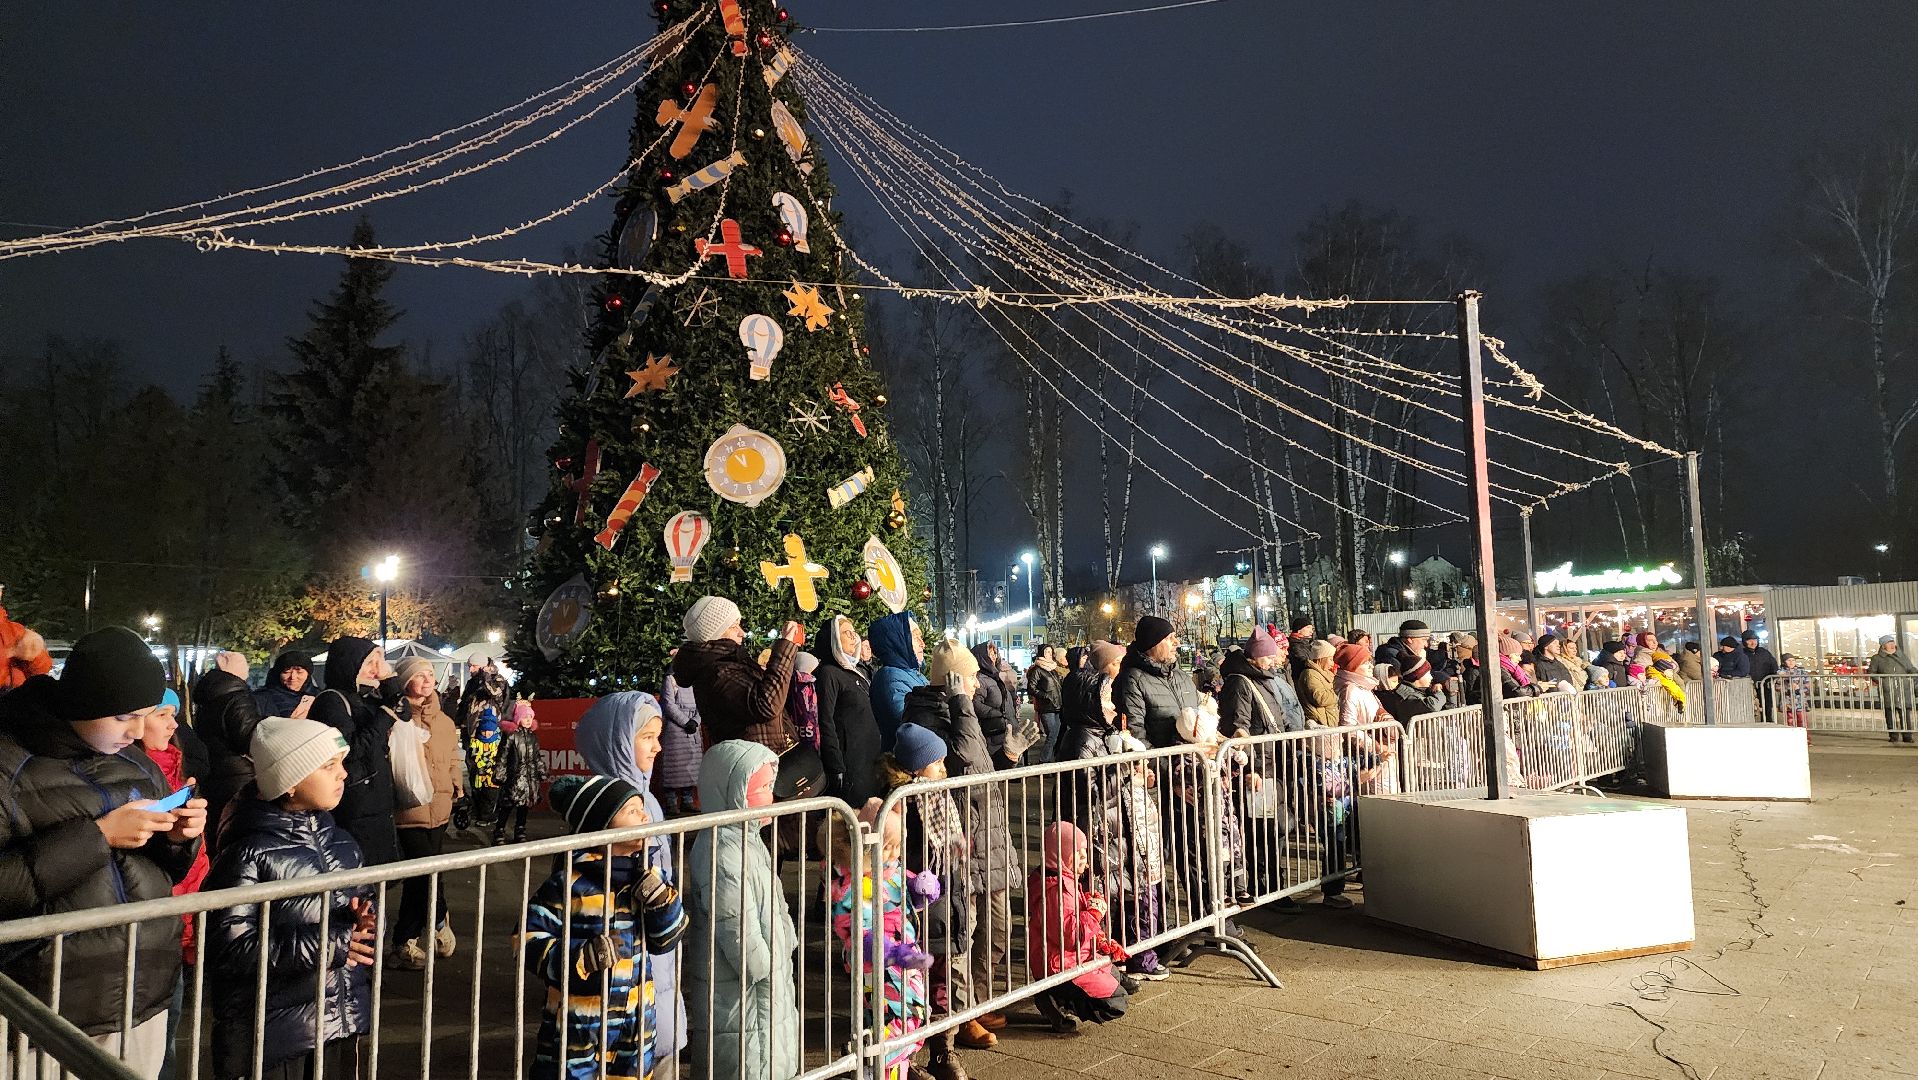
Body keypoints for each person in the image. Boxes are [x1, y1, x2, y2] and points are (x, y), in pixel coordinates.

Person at [0, 627, 207, 1078]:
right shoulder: (9, 764)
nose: (137, 731)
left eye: (145, 716)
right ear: (82, 702)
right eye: (123, 716)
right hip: (46, 1012)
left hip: (145, 996)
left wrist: (178, 839)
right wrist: (99, 836)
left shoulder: (137, 761)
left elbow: (165, 872)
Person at [205, 716, 374, 1080]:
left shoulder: (343, 843)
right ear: (290, 782)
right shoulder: (247, 853)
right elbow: (231, 949)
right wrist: (334, 944)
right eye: (329, 766)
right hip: (273, 1041)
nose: (343, 774)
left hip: (338, 1022)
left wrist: (367, 921)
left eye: (341, 763)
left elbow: (365, 910)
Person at [527, 773, 688, 1080]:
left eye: (643, 809)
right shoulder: (568, 883)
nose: (645, 816)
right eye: (632, 811)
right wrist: (580, 957)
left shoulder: (648, 875)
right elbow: (528, 938)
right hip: (578, 1027)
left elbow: (668, 938)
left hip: (635, 1025)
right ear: (601, 825)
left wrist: (662, 902)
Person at [574, 691, 690, 1074]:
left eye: (658, 736)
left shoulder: (647, 801)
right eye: (647, 737)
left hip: (656, 951)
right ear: (619, 742)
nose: (658, 747)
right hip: (626, 960)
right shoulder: (606, 808)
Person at [682, 741, 799, 1080]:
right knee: (747, 1060)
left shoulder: (748, 838)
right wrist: (763, 964)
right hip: (743, 988)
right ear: (730, 792)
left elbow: (772, 898)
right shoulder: (722, 849)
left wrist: (786, 938)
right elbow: (734, 920)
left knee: (770, 1055)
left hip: (767, 982)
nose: (771, 797)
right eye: (761, 789)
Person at [918, 641, 1013, 1049]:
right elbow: (966, 755)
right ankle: (962, 1014)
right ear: (953, 679)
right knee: (963, 934)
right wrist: (961, 704)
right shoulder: (931, 713)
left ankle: (978, 1000)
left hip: (989, 835)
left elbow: (981, 766)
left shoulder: (961, 710)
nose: (977, 685)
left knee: (998, 930)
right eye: (971, 677)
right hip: (964, 842)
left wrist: (1007, 756)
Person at [876, 724, 971, 1080]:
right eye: (936, 762)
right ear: (916, 767)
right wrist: (913, 882)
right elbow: (893, 857)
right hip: (915, 908)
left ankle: (943, 1050)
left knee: (945, 980)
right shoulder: (900, 804)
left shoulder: (940, 797)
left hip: (947, 899)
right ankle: (905, 1057)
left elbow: (954, 847)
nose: (943, 767)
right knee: (911, 987)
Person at [824, 799, 936, 1080]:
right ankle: (869, 1064)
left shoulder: (892, 871)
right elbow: (850, 926)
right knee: (902, 1019)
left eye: (898, 846)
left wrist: (924, 888)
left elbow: (907, 896)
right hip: (878, 966)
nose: (895, 854)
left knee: (901, 1017)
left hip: (902, 960)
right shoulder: (853, 883)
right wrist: (885, 950)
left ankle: (886, 1068)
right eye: (888, 847)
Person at [138, 690, 210, 1080]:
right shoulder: (133, 777)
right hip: (155, 922)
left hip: (180, 913)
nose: (173, 724)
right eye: (163, 714)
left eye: (173, 714)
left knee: (170, 1026)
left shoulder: (175, 768)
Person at [391, 657, 463, 968]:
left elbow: (452, 758)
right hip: (408, 808)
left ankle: (403, 942)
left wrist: (456, 785)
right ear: (405, 681)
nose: (427, 679)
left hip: (440, 806)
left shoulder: (444, 721)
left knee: (421, 877)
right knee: (425, 874)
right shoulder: (396, 718)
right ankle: (438, 920)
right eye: (419, 675)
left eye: (430, 674)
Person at [1026, 823, 1130, 1033]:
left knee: (1119, 980)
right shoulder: (1056, 890)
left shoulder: (1065, 878)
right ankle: (1054, 997)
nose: (1085, 859)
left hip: (1076, 958)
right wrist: (1094, 913)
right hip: (1059, 965)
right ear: (1061, 855)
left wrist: (1101, 940)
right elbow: (1070, 936)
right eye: (1078, 853)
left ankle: (1058, 997)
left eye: (1084, 852)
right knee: (1116, 1003)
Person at [311, 637, 404, 865]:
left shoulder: (366, 696)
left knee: (381, 871)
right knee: (362, 872)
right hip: (355, 804)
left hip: (376, 801)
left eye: (378, 662)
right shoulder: (331, 701)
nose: (375, 669)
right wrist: (385, 716)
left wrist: (389, 679)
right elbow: (349, 749)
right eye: (369, 662)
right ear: (350, 664)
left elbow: (404, 711)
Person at [672, 596, 801, 752]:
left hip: (768, 756)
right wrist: (784, 648)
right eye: (734, 626)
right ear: (715, 633)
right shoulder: (716, 672)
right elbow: (766, 704)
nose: (742, 633)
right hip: (755, 761)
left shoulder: (731, 662)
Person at [192, 653, 269, 852]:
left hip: (215, 773)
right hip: (240, 777)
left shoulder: (209, 695)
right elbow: (250, 739)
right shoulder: (238, 697)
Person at [817, 615, 884, 805]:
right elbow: (825, 720)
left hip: (869, 758)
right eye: (847, 633)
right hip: (850, 764)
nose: (855, 637)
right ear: (834, 638)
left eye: (854, 632)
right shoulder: (829, 673)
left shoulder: (855, 671)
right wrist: (835, 764)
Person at [1113, 616, 1200, 749]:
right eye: (1169, 638)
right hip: (1162, 761)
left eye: (1175, 637)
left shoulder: (1182, 677)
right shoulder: (1132, 680)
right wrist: (1163, 761)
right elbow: (1134, 735)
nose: (1177, 642)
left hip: (1194, 760)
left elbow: (1201, 718)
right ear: (1152, 644)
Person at [1217, 629, 1300, 739]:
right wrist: (1242, 738)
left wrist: (1298, 737)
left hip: (1272, 745)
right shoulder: (1239, 682)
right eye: (1269, 658)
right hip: (1258, 748)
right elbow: (1239, 722)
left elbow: (1279, 715)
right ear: (1256, 656)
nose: (1272, 663)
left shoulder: (1263, 678)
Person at [868, 611, 928, 746]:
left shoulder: (912, 673)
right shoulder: (890, 679)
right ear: (898, 641)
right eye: (916, 637)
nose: (922, 644)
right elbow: (911, 727)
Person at [493, 700, 548, 844]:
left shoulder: (532, 737)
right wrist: (500, 773)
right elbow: (503, 756)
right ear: (518, 719)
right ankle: (499, 830)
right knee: (507, 805)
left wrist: (542, 771)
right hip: (514, 777)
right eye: (525, 717)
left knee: (524, 805)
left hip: (529, 777)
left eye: (530, 717)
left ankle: (520, 830)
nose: (528, 720)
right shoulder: (511, 735)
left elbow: (537, 757)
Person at [658, 651, 704, 816]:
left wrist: (696, 721)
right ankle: (671, 802)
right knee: (674, 767)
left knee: (691, 767)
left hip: (693, 729)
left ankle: (687, 800)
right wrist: (685, 722)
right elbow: (668, 704)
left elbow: (701, 702)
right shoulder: (670, 679)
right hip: (676, 729)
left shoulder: (696, 680)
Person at [968, 641, 1021, 769]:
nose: (994, 657)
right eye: (990, 654)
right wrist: (997, 714)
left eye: (995, 653)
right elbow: (975, 704)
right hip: (992, 734)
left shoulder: (995, 677)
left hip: (1005, 731)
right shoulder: (980, 679)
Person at [0, 585, 53, 692]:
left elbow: (43, 671)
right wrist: (9, 653)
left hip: (15, 698)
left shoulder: (14, 630)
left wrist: (35, 656)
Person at [1865, 634, 1916, 743]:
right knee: (1890, 714)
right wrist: (1883, 681)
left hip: (1903, 689)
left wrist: (1914, 674)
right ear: (1883, 646)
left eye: (1892, 642)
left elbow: (1910, 668)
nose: (1892, 645)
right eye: (1889, 643)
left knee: (1905, 714)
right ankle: (1893, 736)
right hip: (1887, 690)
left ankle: (1907, 736)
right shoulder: (1877, 658)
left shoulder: (1902, 656)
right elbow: (1871, 672)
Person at [1025, 644, 1066, 762]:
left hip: (1058, 706)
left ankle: (1050, 760)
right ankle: (1043, 760)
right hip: (1047, 707)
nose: (1049, 654)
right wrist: (1045, 696)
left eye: (1050, 651)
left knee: (1055, 736)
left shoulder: (1054, 669)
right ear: (1041, 653)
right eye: (1047, 651)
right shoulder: (1037, 670)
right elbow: (1031, 688)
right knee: (1052, 736)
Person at [253, 651, 317, 719]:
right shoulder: (261, 699)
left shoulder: (319, 697)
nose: (293, 677)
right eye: (287, 672)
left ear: (308, 674)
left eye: (299, 672)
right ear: (278, 674)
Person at [1377, 662, 1446, 726]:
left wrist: (1448, 693)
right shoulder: (1403, 695)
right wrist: (1438, 692)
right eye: (1427, 674)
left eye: (1396, 680)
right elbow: (1432, 706)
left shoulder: (1420, 690)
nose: (1431, 677)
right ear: (1417, 677)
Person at [1296, 640, 1339, 727]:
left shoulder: (1325, 674)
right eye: (1330, 659)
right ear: (1321, 658)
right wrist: (1336, 694)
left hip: (1328, 722)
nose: (1332, 663)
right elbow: (1320, 698)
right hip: (1320, 723)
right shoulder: (1310, 674)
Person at [1376, 621, 1432, 687]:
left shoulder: (1408, 653)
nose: (1426, 645)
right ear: (1410, 639)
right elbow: (1398, 684)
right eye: (1424, 640)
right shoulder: (1390, 655)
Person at [1779, 653, 1812, 728]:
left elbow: (1808, 684)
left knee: (1802, 721)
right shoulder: (1780, 672)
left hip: (1800, 700)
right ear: (1784, 662)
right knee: (1790, 721)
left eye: (1793, 660)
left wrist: (1799, 688)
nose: (1791, 662)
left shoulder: (1801, 671)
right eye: (1788, 660)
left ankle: (1804, 735)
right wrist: (1788, 687)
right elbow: (1777, 686)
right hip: (1788, 701)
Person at [1285, 616, 1316, 684]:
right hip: (1299, 681)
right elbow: (1302, 663)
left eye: (1312, 629)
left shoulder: (1305, 644)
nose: (1311, 631)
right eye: (1308, 628)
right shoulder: (1294, 645)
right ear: (1299, 629)